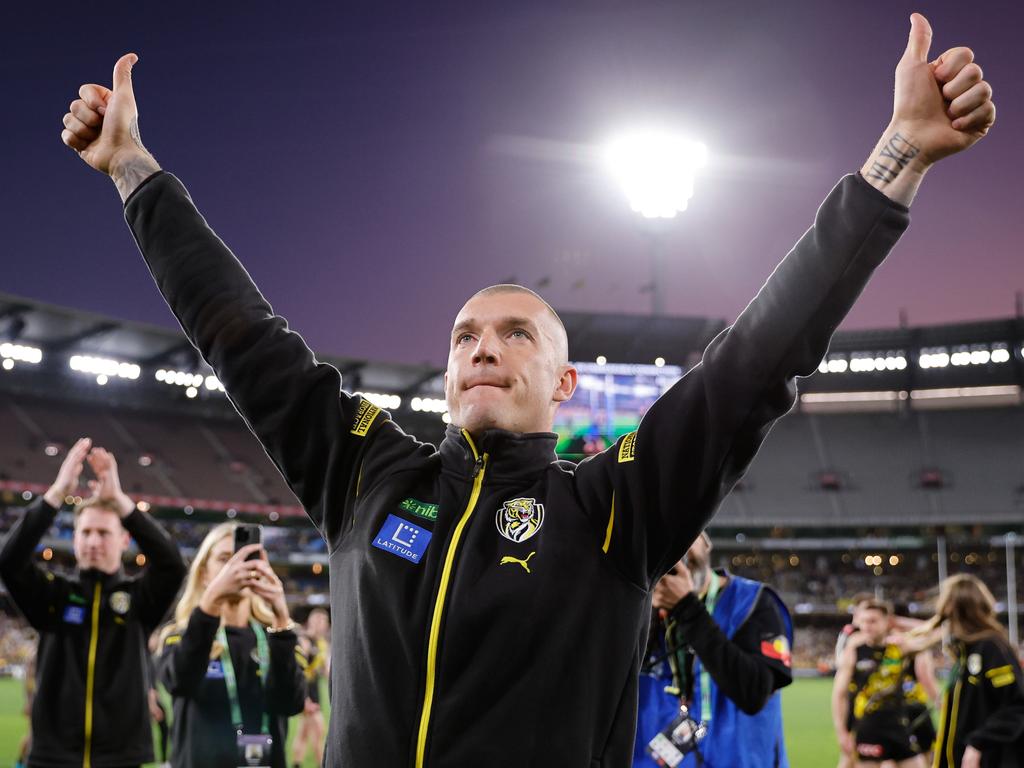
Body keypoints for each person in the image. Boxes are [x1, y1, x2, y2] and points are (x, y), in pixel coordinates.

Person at [59, 13, 996, 766]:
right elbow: (243, 339)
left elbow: (753, 364)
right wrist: (134, 172)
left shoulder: (614, 505)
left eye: (516, 334)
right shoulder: (367, 475)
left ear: (565, 380)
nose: (482, 348)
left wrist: (896, 162)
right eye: (465, 334)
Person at [0, 438, 187, 767]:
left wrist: (121, 503)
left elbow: (172, 565)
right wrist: (56, 494)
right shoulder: (53, 596)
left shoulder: (140, 600)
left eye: (103, 533)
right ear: (74, 539)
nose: (93, 542)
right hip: (53, 755)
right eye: (85, 533)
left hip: (121, 756)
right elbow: (9, 562)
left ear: (124, 539)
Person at [635, 532, 793, 767]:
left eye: (689, 535)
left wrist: (686, 607)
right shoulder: (636, 610)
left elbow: (754, 693)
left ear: (707, 544)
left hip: (737, 760)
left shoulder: (753, 602)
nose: (679, 550)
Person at [157, 523, 306, 768]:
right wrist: (209, 606)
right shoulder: (179, 635)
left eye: (245, 558)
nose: (235, 568)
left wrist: (281, 617)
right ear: (204, 573)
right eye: (224, 559)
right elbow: (179, 682)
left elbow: (291, 703)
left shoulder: (278, 635)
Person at [899, 574, 1024, 768]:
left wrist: (977, 743)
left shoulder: (990, 647)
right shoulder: (966, 651)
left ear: (955, 609)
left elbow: (1017, 705)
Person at [832, 600, 931, 768]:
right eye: (863, 621)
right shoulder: (854, 651)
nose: (867, 626)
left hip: (898, 725)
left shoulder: (900, 647)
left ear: (887, 622)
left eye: (873, 621)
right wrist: (841, 732)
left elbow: (935, 634)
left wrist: (900, 622)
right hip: (867, 726)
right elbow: (839, 694)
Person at [291, 608, 331, 768]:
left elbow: (325, 671)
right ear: (310, 622)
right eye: (317, 620)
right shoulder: (305, 641)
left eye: (323, 621)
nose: (320, 625)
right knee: (319, 733)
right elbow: (298, 672)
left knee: (303, 734)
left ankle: (296, 764)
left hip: (314, 694)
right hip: (307, 696)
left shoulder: (322, 643)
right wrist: (305, 699)